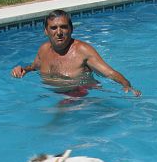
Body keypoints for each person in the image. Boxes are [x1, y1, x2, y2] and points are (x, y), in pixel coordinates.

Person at [11, 10, 141, 97]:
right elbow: (34, 67)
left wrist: (126, 85)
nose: (59, 32)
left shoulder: (82, 51)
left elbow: (109, 73)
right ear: (46, 31)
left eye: (63, 27)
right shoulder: (43, 50)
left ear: (71, 29)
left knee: (53, 124)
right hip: (55, 96)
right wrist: (23, 70)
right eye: (53, 28)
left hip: (82, 95)